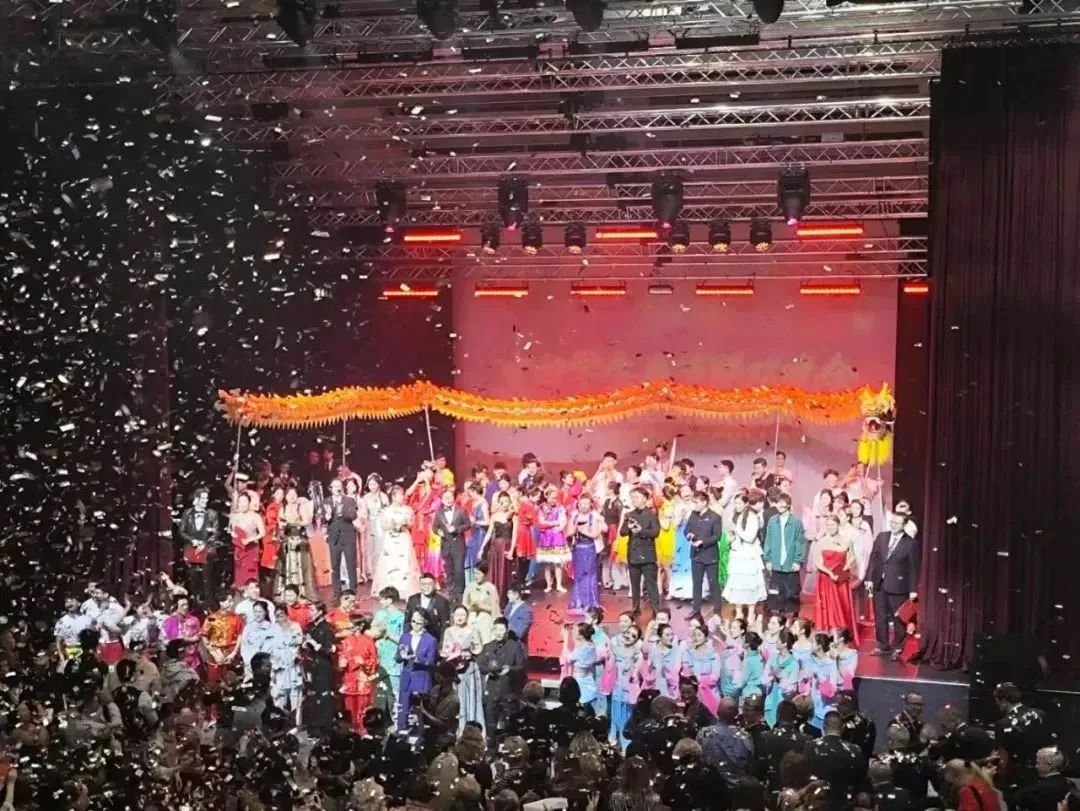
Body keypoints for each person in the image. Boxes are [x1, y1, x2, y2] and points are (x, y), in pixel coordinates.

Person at [865, 511, 920, 658]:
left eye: (897, 523)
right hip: (879, 583)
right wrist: (869, 578)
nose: (893, 525)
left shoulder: (911, 544)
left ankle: (898, 647)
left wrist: (913, 589)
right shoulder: (882, 537)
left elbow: (914, 568)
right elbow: (873, 558)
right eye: (892, 522)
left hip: (899, 586)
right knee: (880, 616)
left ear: (904, 525)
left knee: (898, 618)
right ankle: (882, 645)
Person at [992, 681, 1051, 791]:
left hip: (1016, 776)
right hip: (1041, 770)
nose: (997, 705)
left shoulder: (1003, 724)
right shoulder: (1041, 714)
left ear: (1003, 701)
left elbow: (1003, 758)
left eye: (997, 702)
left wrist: (999, 780)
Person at [478, 617, 527, 747]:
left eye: (501, 630)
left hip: (508, 692)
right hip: (492, 691)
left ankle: (511, 749)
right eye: (496, 630)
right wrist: (489, 670)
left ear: (506, 630)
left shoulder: (514, 647)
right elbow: (480, 664)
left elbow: (522, 667)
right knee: (490, 725)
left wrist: (510, 669)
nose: (498, 633)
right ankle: (491, 750)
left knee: (510, 725)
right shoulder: (488, 647)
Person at [804, 711, 867, 810]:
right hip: (844, 804)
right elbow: (859, 781)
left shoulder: (810, 747)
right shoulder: (855, 750)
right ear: (843, 728)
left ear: (823, 727)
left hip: (816, 804)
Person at [813, 515, 859, 644]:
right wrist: (829, 573)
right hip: (826, 579)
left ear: (838, 525)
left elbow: (852, 556)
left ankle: (842, 635)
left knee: (842, 606)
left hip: (841, 578)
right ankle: (831, 635)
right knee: (829, 607)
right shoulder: (821, 542)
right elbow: (817, 562)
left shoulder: (847, 540)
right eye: (828, 525)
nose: (830, 527)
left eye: (833, 525)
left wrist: (847, 565)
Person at [723, 492, 767, 622]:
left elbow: (749, 537)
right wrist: (730, 535)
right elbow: (731, 536)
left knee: (750, 583)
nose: (737, 506)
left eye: (739, 503)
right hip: (737, 553)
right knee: (738, 583)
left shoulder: (752, 517)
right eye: (735, 503)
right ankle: (739, 612)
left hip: (749, 554)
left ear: (746, 503)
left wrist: (736, 529)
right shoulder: (735, 516)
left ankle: (751, 613)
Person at [372, 485, 421, 600]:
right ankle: (389, 591)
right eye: (400, 495)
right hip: (391, 539)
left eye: (403, 494)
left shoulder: (408, 509)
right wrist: (393, 525)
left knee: (405, 563)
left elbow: (411, 523)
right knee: (390, 563)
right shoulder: (387, 510)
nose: (402, 497)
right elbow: (384, 525)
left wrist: (404, 525)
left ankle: (405, 591)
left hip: (404, 538)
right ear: (393, 497)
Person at [763, 493, 806, 618]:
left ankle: (793, 613)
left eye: (783, 502)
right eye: (778, 502)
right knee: (777, 589)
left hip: (790, 561)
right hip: (776, 561)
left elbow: (800, 541)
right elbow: (768, 540)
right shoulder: (773, 520)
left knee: (792, 589)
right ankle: (780, 613)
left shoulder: (796, 521)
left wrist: (797, 560)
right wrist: (768, 559)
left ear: (788, 504)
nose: (780, 505)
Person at [621, 487, 661, 615]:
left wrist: (641, 531)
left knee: (651, 584)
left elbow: (655, 532)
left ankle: (656, 608)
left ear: (644, 498)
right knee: (634, 583)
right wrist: (628, 527)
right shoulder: (629, 515)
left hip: (647, 554)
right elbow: (622, 532)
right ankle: (635, 607)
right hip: (633, 553)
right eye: (632, 497)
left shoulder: (651, 514)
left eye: (637, 497)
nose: (634, 500)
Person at [397, 608, 438, 730]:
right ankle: (401, 730)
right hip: (406, 676)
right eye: (413, 621)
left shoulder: (430, 640)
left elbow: (431, 661)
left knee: (420, 709)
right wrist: (402, 655)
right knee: (403, 707)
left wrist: (417, 658)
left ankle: (421, 733)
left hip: (421, 677)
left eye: (419, 622)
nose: (415, 625)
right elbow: (397, 657)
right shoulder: (405, 637)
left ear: (425, 622)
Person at [179, 487, 221, 605]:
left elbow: (216, 533)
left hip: (207, 551)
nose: (205, 500)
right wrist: (192, 540)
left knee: (207, 579)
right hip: (191, 549)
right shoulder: (187, 513)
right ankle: (195, 604)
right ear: (196, 499)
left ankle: (208, 604)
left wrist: (205, 544)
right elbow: (181, 531)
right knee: (193, 578)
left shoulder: (212, 514)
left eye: (206, 498)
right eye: (202, 498)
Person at [302, 601, 338, 738]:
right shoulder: (310, 627)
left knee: (324, 697)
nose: (310, 614)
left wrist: (314, 643)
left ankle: (325, 728)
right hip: (311, 666)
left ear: (320, 612)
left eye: (312, 611)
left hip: (324, 666)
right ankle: (313, 726)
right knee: (312, 696)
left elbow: (330, 649)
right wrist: (305, 644)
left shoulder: (327, 628)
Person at [684, 490, 722, 615]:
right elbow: (687, 529)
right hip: (696, 555)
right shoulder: (693, 515)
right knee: (696, 583)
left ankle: (717, 611)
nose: (694, 505)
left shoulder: (715, 517)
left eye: (696, 502)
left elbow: (717, 536)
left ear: (704, 502)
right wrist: (688, 535)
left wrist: (703, 542)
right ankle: (696, 610)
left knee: (713, 584)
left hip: (710, 555)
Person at [432, 488, 472, 605]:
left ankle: (460, 595)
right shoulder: (439, 512)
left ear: (454, 498)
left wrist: (456, 529)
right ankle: (451, 594)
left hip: (458, 545)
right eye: (445, 498)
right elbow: (434, 527)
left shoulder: (461, 510)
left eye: (450, 497)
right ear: (442, 500)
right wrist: (438, 532)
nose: (448, 500)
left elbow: (468, 524)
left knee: (459, 571)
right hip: (445, 545)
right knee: (449, 571)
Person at [339, 616, 379, 733]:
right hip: (349, 678)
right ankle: (350, 729)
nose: (350, 628)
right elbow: (342, 656)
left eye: (352, 625)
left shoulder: (368, 641)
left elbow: (375, 660)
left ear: (360, 626)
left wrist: (364, 662)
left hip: (362, 678)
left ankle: (362, 728)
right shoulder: (346, 641)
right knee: (349, 706)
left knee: (363, 705)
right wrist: (342, 662)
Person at [607, 622, 643, 749]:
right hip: (617, 687)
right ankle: (612, 737)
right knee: (614, 713)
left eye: (633, 636)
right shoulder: (616, 649)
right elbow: (610, 667)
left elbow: (634, 674)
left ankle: (625, 743)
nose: (628, 636)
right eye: (628, 633)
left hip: (628, 690)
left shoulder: (637, 655)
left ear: (637, 640)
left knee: (626, 717)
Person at [278, 485, 317, 601]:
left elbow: (307, 521)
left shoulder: (301, 507)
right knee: (287, 565)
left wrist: (295, 523)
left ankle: (303, 592)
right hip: (287, 539)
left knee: (301, 565)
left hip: (300, 539)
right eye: (289, 495)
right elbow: (280, 522)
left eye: (294, 494)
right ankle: (288, 592)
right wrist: (283, 525)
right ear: (286, 496)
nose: (292, 497)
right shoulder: (283, 508)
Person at [567, 494, 603, 614]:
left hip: (589, 548)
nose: (583, 506)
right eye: (581, 504)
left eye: (586, 504)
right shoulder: (574, 516)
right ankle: (579, 602)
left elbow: (595, 534)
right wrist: (574, 529)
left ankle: (590, 602)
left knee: (590, 575)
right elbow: (569, 532)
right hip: (577, 548)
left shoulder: (594, 517)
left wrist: (583, 530)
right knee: (579, 575)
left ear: (590, 505)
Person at [326, 478, 360, 596]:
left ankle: (353, 590)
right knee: (335, 566)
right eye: (335, 486)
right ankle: (337, 591)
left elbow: (353, 515)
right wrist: (326, 517)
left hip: (348, 536)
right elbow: (322, 519)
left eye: (339, 486)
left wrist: (342, 513)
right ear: (331, 488)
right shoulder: (327, 501)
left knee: (351, 564)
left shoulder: (349, 500)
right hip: (334, 538)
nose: (337, 488)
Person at [480, 491, 515, 602]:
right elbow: (490, 532)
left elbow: (515, 535)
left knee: (505, 571)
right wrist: (482, 547)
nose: (505, 504)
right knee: (495, 570)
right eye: (502, 502)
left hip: (507, 546)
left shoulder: (513, 516)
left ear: (510, 502)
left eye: (506, 501)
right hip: (496, 546)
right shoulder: (494, 516)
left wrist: (512, 550)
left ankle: (505, 597)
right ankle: (494, 596)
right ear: (499, 503)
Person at [536, 486, 570, 593]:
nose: (553, 500)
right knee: (547, 563)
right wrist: (552, 524)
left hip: (556, 537)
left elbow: (562, 522)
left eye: (555, 498)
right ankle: (548, 585)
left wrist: (555, 528)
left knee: (557, 563)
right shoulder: (542, 508)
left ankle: (559, 584)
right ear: (547, 497)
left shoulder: (560, 508)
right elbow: (541, 521)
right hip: (546, 537)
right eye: (551, 497)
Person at [230, 492, 265, 590]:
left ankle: (252, 592)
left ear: (249, 502)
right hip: (239, 549)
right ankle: (240, 593)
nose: (242, 504)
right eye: (240, 502)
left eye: (244, 501)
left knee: (250, 574)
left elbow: (262, 533)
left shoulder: (255, 516)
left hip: (251, 549)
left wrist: (249, 540)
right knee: (239, 574)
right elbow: (232, 530)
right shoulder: (235, 516)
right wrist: (233, 535)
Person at [805, 633, 840, 729]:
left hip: (824, 710)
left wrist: (821, 680)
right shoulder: (811, 660)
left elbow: (832, 690)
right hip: (812, 709)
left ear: (819, 646)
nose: (811, 645)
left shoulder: (831, 665)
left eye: (813, 642)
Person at [406, 572, 452, 642]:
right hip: (414, 639)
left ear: (434, 585)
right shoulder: (412, 599)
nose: (426, 587)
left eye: (429, 584)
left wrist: (441, 644)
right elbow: (407, 622)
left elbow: (444, 626)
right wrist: (406, 640)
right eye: (423, 584)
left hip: (433, 640)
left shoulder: (442, 602)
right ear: (420, 585)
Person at [463, 563, 500, 644]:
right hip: (472, 615)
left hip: (486, 616)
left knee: (484, 620)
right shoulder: (469, 587)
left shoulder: (491, 588)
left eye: (479, 574)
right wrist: (472, 608)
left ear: (485, 574)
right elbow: (464, 605)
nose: (476, 576)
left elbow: (495, 609)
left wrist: (482, 607)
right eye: (474, 573)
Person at [238, 599, 276, 676]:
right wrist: (248, 661)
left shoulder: (271, 628)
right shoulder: (248, 628)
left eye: (260, 612)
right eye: (255, 612)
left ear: (265, 612)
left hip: (265, 665)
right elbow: (244, 647)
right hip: (249, 664)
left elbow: (272, 648)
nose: (257, 614)